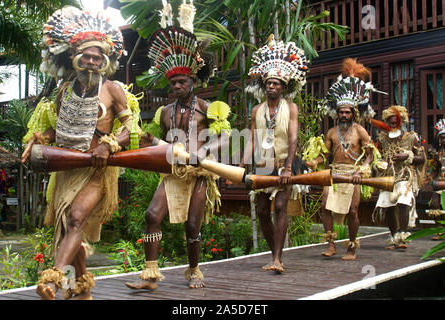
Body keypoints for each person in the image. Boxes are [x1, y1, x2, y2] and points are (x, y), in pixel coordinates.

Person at [21, 6, 140, 300]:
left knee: (76, 219)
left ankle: (52, 280)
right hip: (67, 168)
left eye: (96, 56)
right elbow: (60, 131)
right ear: (76, 57)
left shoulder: (112, 89)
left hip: (97, 171)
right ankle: (82, 287)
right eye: (86, 55)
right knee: (67, 224)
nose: (91, 60)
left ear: (104, 61)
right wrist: (37, 141)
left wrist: (109, 144)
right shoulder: (64, 91)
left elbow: (132, 128)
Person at [125, 0, 229, 290]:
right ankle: (149, 275)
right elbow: (154, 139)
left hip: (199, 173)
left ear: (192, 80)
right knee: (151, 215)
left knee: (192, 225)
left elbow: (223, 136)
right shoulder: (165, 112)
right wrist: (143, 139)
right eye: (173, 84)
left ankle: (194, 270)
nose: (177, 87)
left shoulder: (210, 107)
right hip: (172, 171)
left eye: (182, 82)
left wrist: (204, 152)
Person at [241, 35, 309, 273]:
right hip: (262, 166)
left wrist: (289, 167)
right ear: (264, 85)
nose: (272, 86)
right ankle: (274, 254)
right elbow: (252, 138)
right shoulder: (257, 110)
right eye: (269, 83)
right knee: (261, 210)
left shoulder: (291, 108)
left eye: (276, 83)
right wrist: (243, 165)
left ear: (283, 87)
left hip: (283, 164)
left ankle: (277, 258)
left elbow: (292, 138)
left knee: (280, 206)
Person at [306, 58, 382, 261]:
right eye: (341, 112)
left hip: (352, 174)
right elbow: (325, 155)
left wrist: (362, 170)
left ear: (354, 112)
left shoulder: (360, 131)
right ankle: (331, 244)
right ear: (337, 113)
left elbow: (371, 154)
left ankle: (351, 247)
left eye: (347, 112)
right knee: (325, 207)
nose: (344, 114)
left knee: (353, 210)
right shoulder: (331, 131)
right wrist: (315, 162)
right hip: (334, 173)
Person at [372, 105, 426, 249]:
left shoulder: (412, 137)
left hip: (405, 175)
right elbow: (377, 157)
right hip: (388, 176)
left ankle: (403, 235)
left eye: (396, 122)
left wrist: (407, 156)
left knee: (403, 202)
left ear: (402, 121)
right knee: (388, 205)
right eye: (390, 122)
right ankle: (394, 237)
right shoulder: (382, 139)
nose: (393, 124)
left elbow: (422, 158)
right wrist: (379, 164)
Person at [429, 119, 445, 240]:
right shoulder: (438, 152)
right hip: (439, 182)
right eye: (442, 137)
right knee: (434, 204)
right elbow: (435, 168)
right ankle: (440, 231)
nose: (444, 140)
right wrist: (431, 177)